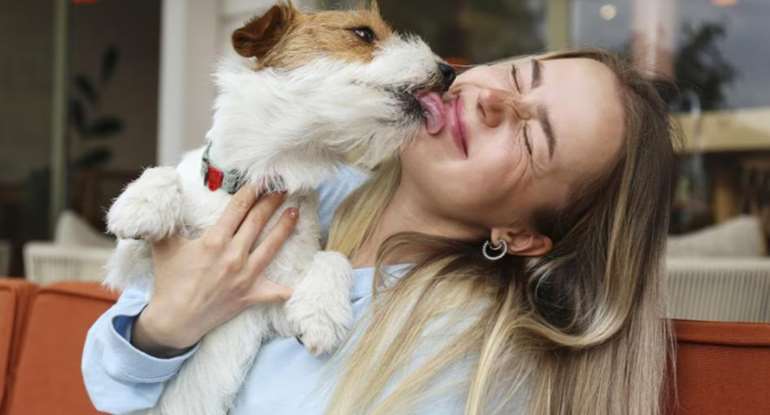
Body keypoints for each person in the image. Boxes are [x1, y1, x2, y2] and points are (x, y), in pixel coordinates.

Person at [82, 48, 678, 415]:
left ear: (521, 235)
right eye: (519, 75)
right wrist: (169, 324)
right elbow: (106, 383)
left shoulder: (459, 356)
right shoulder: (309, 189)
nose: (493, 99)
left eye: (530, 138)